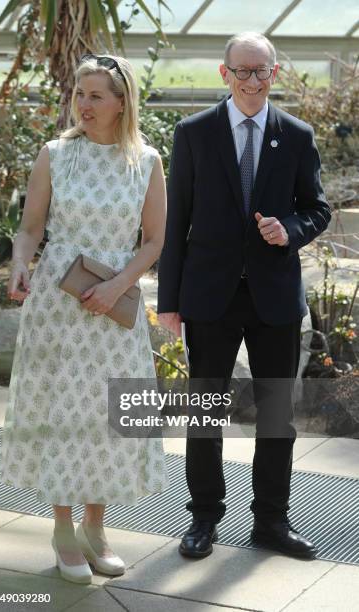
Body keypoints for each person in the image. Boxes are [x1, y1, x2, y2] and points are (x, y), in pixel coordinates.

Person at [157, 32, 331, 560]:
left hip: (275, 298)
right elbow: (176, 220)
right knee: (205, 414)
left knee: (278, 415)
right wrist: (169, 303)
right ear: (223, 73)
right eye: (242, 71)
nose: (252, 81)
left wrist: (291, 229)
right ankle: (204, 519)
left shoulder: (297, 135)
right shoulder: (193, 134)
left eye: (262, 72)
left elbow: (317, 208)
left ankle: (272, 522)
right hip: (209, 296)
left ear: (274, 74)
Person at [0, 53, 169, 584]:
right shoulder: (55, 154)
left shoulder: (147, 161)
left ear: (122, 104)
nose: (84, 104)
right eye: (80, 94)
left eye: (97, 96)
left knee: (104, 417)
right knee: (62, 411)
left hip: (114, 306)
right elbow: (30, 228)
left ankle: (97, 530)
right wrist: (22, 262)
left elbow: (155, 241)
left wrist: (118, 284)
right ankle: (64, 529)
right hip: (57, 305)